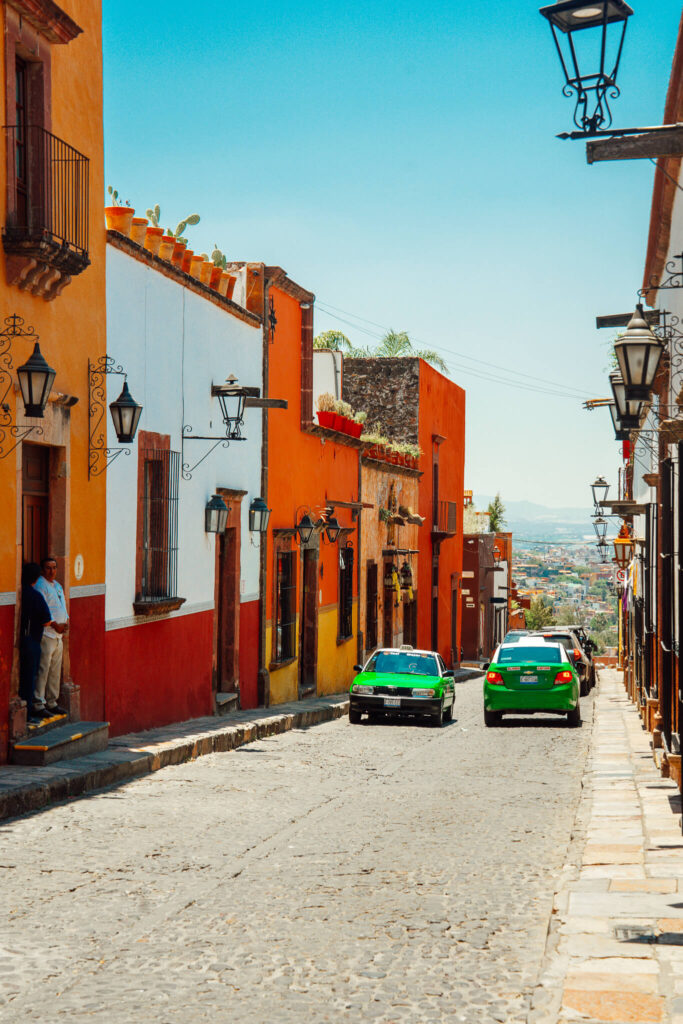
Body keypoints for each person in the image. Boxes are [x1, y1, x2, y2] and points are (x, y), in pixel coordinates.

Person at [33, 555, 69, 717]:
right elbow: (44, 609)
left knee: (55, 669)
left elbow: (62, 605)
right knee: (43, 668)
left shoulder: (57, 586)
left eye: (54, 568)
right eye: (48, 568)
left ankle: (51, 701)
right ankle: (38, 703)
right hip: (47, 633)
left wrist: (65, 621)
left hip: (58, 636)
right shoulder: (40, 585)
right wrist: (56, 625)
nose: (51, 571)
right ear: (42, 570)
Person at [19, 563, 52, 723]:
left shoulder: (20, 593)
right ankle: (28, 713)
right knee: (30, 677)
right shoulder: (35, 595)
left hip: (21, 639)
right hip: (32, 641)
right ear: (37, 577)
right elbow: (46, 621)